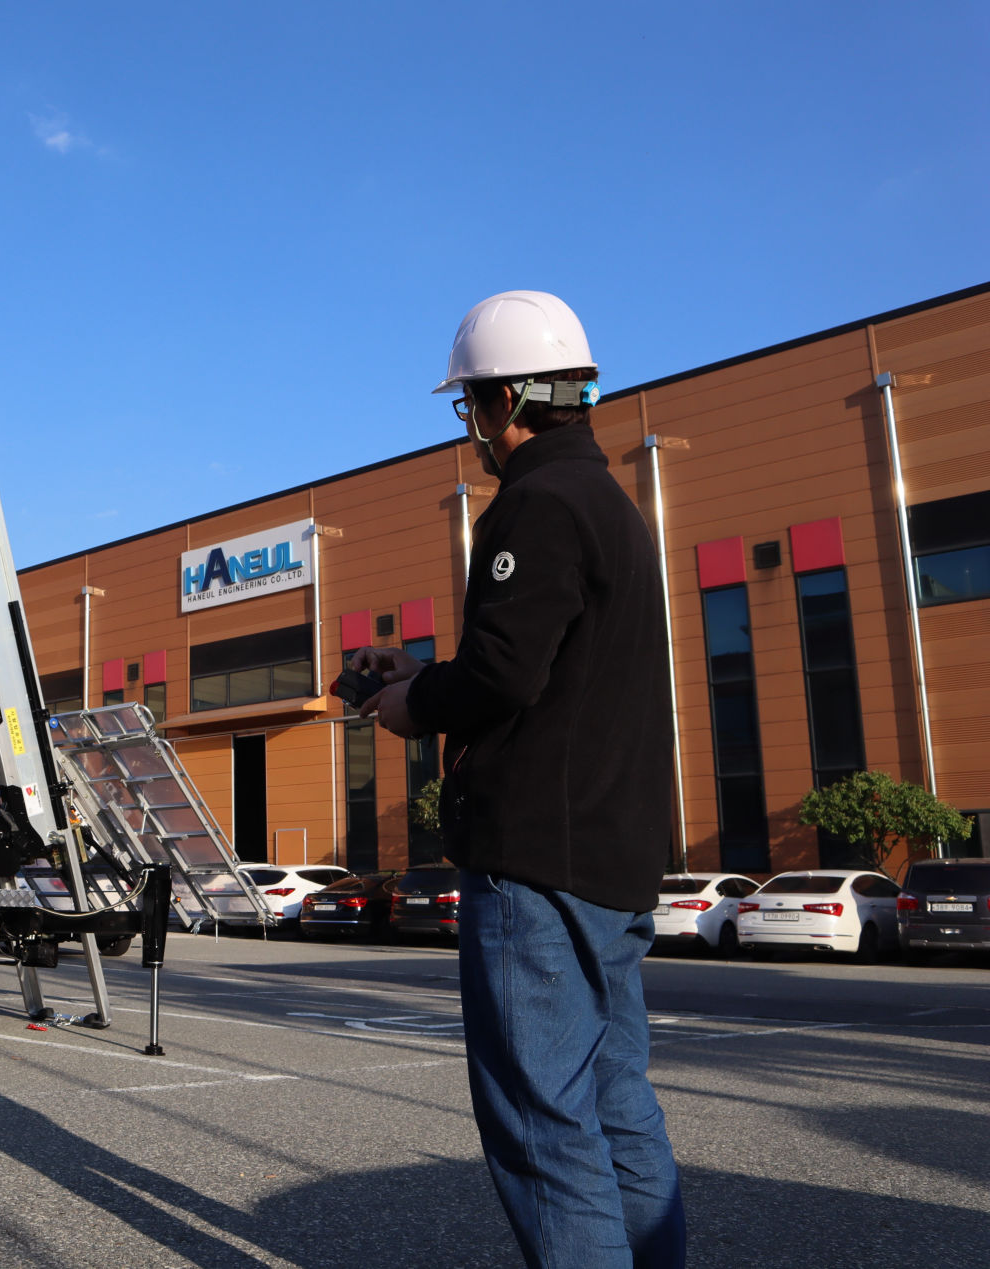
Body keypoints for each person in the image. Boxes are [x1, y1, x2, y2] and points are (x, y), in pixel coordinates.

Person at [350, 291, 685, 1268]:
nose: (472, 429)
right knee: (616, 1106)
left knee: (543, 1127)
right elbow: (548, 671)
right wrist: (427, 674)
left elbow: (503, 675)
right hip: (611, 863)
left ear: (504, 400)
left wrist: (414, 700)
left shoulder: (533, 505)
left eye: (470, 406)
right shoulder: (613, 509)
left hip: (536, 863)